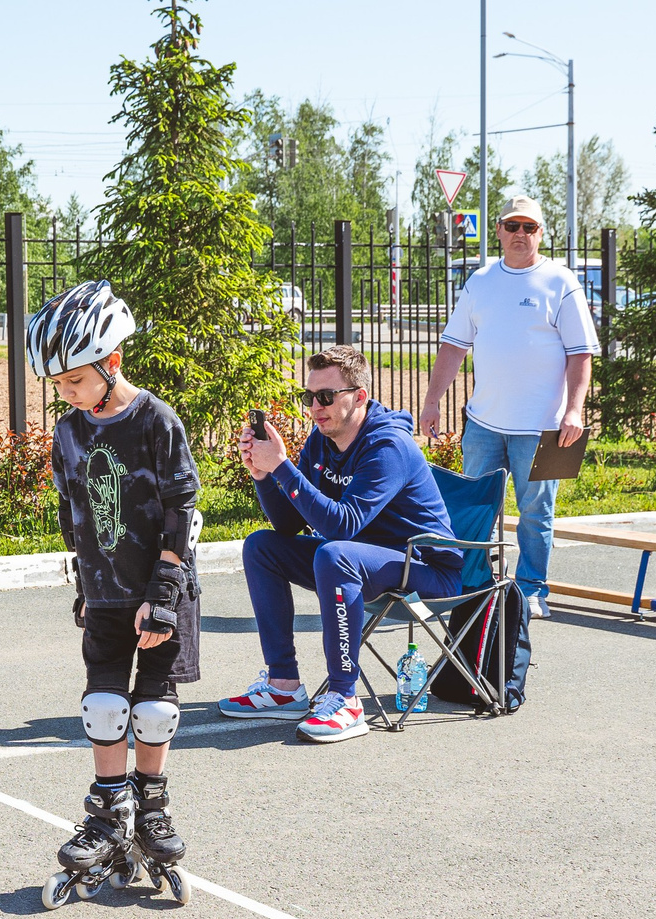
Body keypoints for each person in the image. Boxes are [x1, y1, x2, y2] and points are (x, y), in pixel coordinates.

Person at [25, 281, 201, 893]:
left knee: (153, 708)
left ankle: (152, 809)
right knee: (103, 703)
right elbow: (72, 509)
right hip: (104, 589)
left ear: (112, 362)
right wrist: (81, 577)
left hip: (160, 587)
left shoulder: (155, 420)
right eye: (58, 385)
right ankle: (108, 811)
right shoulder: (69, 431)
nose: (66, 394)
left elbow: (183, 506)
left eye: (75, 380)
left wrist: (167, 588)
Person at [225, 344, 469, 740]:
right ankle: (284, 687)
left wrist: (283, 467)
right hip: (361, 560)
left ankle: (345, 697)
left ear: (359, 397)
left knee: (335, 554)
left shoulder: (387, 446)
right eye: (309, 397)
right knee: (261, 547)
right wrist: (263, 475)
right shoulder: (323, 438)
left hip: (425, 568)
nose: (314, 407)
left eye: (325, 397)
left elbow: (343, 526)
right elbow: (288, 524)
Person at [416, 196, 598, 618]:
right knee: (474, 508)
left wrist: (574, 411)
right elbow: (453, 346)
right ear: (498, 230)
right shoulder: (480, 282)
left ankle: (532, 590)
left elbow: (581, 353)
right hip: (483, 423)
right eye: (512, 226)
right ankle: (475, 589)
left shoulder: (560, 281)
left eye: (529, 227)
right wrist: (431, 402)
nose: (520, 234)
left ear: (541, 233)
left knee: (537, 512)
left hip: (546, 428)